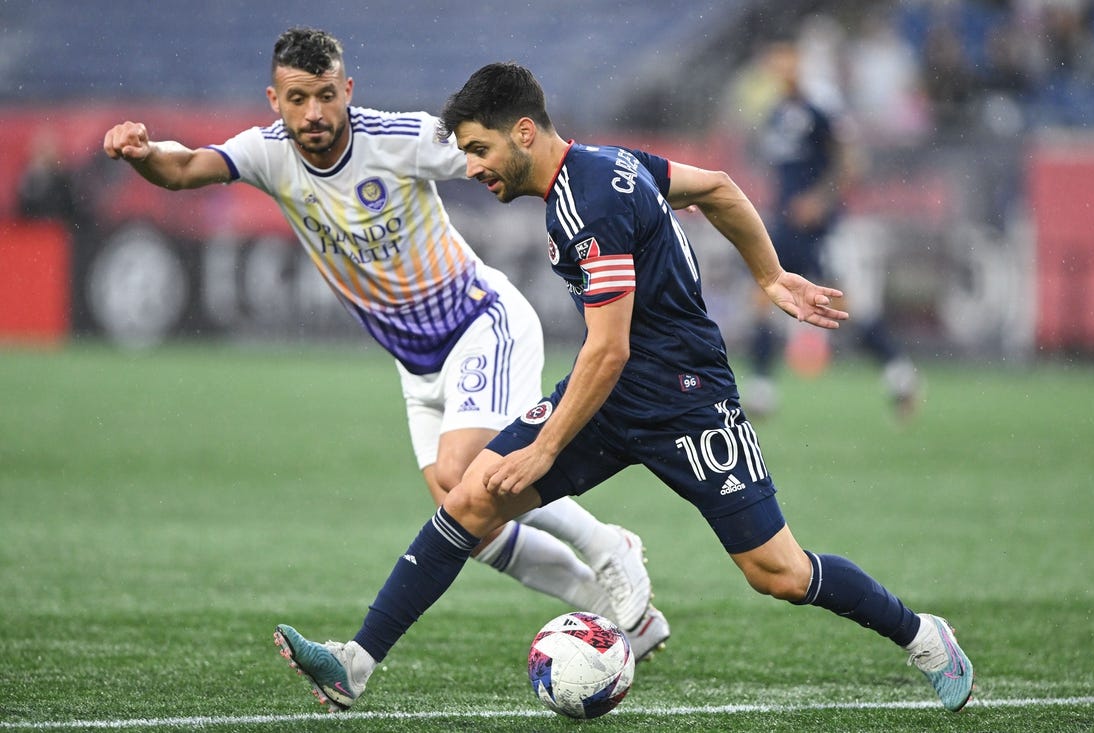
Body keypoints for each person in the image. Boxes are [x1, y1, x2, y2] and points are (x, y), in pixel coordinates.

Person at [272, 62, 974, 714]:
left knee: (779, 573)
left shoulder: (588, 202)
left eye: (480, 148)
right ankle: (355, 664)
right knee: (472, 495)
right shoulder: (610, 166)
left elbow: (610, 348)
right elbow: (720, 189)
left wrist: (545, 451)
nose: (472, 165)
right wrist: (769, 275)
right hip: (610, 396)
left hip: (685, 401)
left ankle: (923, 635)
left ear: (524, 132)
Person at [102, 29, 669, 658]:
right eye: (297, 99)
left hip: (481, 323)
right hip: (415, 364)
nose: (313, 114)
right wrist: (144, 152)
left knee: (466, 474)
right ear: (274, 99)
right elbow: (183, 167)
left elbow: (522, 156)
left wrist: (635, 185)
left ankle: (605, 544)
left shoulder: (398, 139)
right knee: (468, 525)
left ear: (347, 90)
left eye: (324, 96)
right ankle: (621, 619)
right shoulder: (265, 154)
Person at [745, 39, 920, 420]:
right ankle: (761, 391)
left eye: (786, 59)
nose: (780, 67)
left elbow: (852, 161)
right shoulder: (777, 112)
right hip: (783, 224)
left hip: (820, 226)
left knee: (843, 306)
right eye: (775, 61)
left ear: (798, 62)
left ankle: (899, 373)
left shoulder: (821, 105)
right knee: (763, 299)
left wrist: (820, 201)